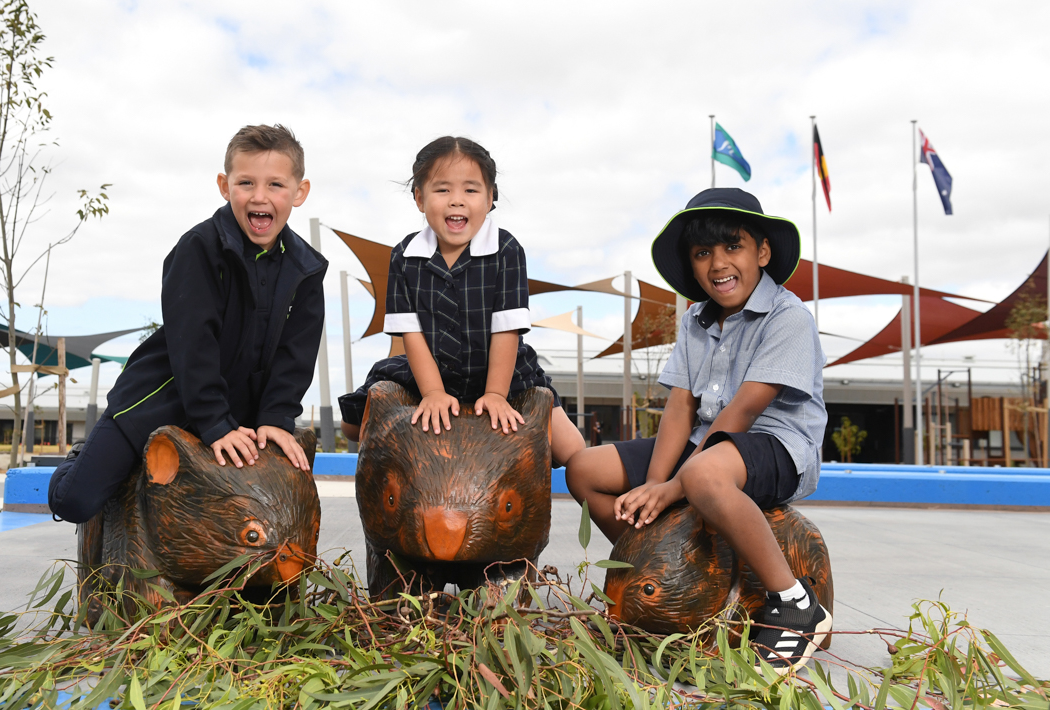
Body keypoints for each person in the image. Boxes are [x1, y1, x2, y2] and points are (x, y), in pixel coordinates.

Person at [565, 188, 830, 670]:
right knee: (584, 469)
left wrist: (671, 487)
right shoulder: (695, 319)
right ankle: (662, 568)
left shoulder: (788, 317)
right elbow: (681, 407)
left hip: (776, 444)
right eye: (703, 252)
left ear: (762, 252)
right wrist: (652, 483)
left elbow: (744, 412)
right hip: (702, 444)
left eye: (733, 247)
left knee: (706, 475)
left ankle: (795, 605)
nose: (718, 263)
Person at [48, 124, 328, 524]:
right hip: (164, 397)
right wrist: (214, 423)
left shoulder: (306, 268)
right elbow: (192, 343)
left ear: (299, 192)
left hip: (239, 413)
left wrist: (275, 419)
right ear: (224, 185)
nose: (260, 196)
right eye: (245, 182)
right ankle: (81, 457)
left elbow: (296, 354)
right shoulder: (200, 248)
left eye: (276, 185)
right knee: (75, 503)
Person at [339, 136, 585, 467]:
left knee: (571, 450)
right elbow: (409, 334)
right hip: (430, 365)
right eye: (442, 190)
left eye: (470, 190)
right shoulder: (404, 256)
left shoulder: (507, 250)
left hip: (500, 367)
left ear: (490, 198)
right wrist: (433, 394)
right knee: (352, 426)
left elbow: (507, 331)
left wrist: (496, 394)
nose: (457, 201)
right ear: (419, 198)